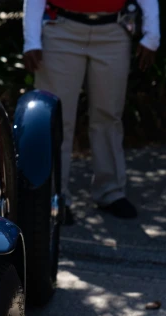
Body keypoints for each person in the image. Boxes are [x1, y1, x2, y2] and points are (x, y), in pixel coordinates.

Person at [22, 0, 160, 222]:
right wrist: (31, 40)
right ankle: (53, 197)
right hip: (61, 30)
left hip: (113, 32)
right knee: (56, 117)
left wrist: (152, 34)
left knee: (109, 115)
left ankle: (110, 192)